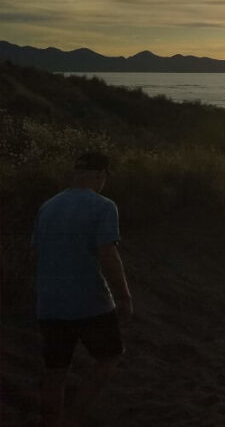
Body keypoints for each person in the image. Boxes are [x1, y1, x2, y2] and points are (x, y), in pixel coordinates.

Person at [31, 150, 133, 427]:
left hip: (49, 304)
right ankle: (74, 417)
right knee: (110, 357)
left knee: (55, 372)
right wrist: (124, 296)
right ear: (99, 176)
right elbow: (107, 254)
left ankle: (53, 422)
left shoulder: (48, 206)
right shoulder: (103, 206)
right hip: (90, 302)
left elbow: (39, 252)